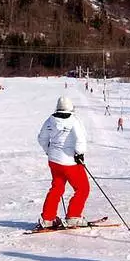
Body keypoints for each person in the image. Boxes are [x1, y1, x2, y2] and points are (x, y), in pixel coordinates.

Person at [37, 96, 90, 228]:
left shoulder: (50, 120)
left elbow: (41, 138)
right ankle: (73, 216)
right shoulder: (74, 120)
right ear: (71, 107)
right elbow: (80, 139)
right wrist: (79, 154)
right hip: (70, 161)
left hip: (54, 161)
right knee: (82, 188)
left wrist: (48, 150)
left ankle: (48, 219)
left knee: (57, 188)